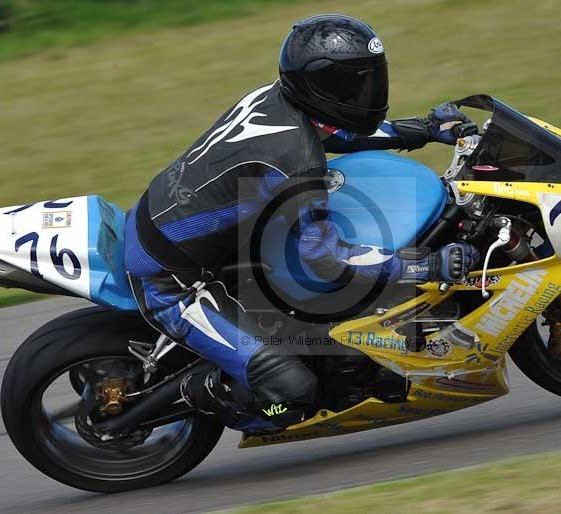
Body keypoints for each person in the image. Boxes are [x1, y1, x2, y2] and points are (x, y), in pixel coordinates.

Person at [124, 14, 480, 432]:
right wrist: (427, 266)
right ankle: (201, 394)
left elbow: (334, 132)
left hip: (192, 231)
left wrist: (420, 130)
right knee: (293, 395)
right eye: (353, 85)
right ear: (320, 88)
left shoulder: (278, 101)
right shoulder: (293, 159)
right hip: (172, 283)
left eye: (368, 79)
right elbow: (329, 260)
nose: (366, 92)